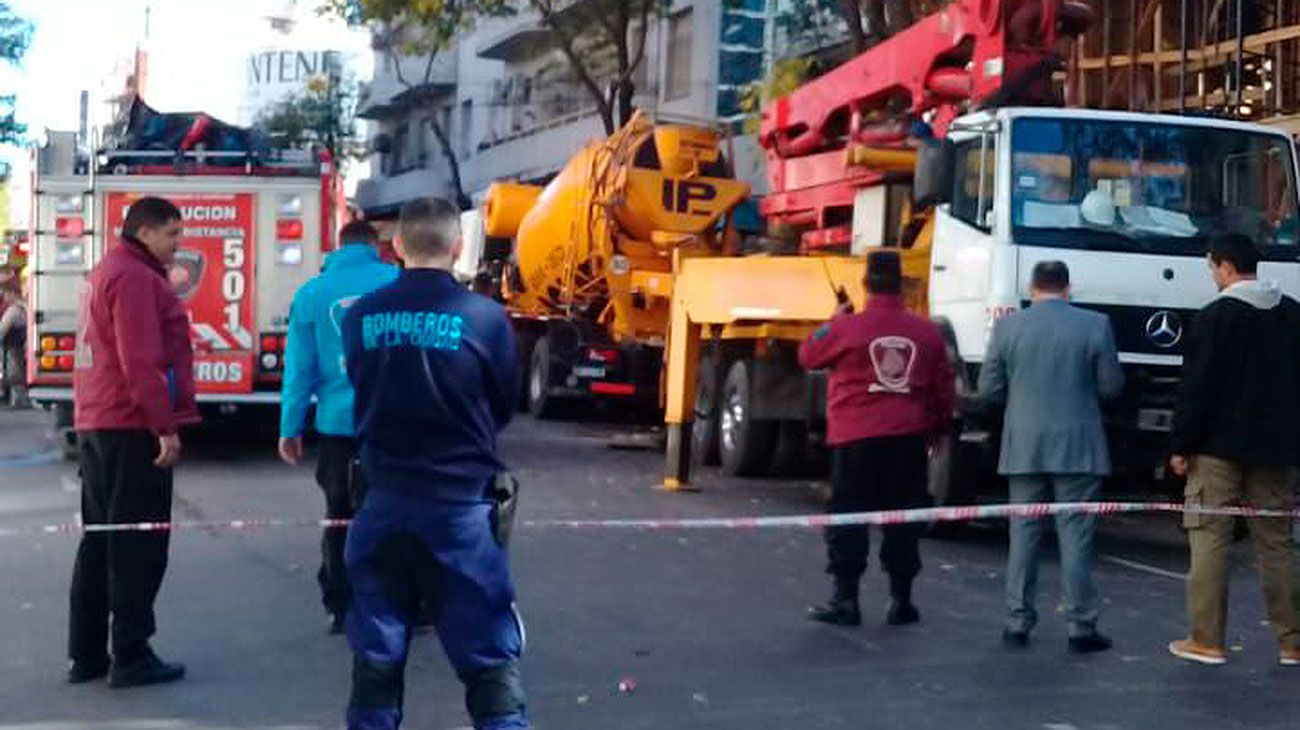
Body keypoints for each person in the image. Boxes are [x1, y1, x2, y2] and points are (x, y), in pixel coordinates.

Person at [340, 197, 528, 730]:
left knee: (376, 660)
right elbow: (502, 403)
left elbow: (362, 385)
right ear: (458, 246)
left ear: (395, 247)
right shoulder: (486, 318)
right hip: (460, 514)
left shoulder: (361, 316)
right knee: (490, 664)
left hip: (382, 506)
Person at [68, 196, 199, 688]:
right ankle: (131, 652)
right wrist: (164, 426)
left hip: (100, 421)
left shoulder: (108, 270)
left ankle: (86, 654)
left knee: (99, 541)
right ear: (145, 232)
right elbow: (140, 360)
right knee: (138, 545)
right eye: (172, 234)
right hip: (129, 426)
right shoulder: (137, 279)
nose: (177, 245)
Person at [799, 249, 954, 627]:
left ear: (866, 284)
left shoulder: (846, 328)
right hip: (908, 438)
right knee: (903, 517)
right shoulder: (927, 333)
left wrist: (832, 321)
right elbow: (943, 389)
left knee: (848, 516)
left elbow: (808, 355)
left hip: (855, 438)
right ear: (901, 285)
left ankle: (846, 599)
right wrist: (936, 430)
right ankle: (901, 600)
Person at [1167, 234, 1300, 667]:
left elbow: (1197, 389)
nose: (1212, 276)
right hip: (1277, 449)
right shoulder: (1293, 315)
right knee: (1277, 544)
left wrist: (1181, 445)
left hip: (1216, 448)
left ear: (1225, 267)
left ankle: (1207, 638)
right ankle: (1292, 640)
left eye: (1211, 268)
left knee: (1210, 538)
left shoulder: (1214, 318)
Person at [978, 260, 1122, 654]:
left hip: (1024, 442)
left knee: (1023, 535)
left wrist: (1020, 406)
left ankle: (1017, 621)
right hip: (1079, 445)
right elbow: (1111, 387)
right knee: (1075, 536)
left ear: (1032, 287)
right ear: (1067, 287)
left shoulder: (1009, 327)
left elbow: (988, 388)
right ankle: (1080, 626)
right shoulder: (1096, 325)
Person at [279, 220, 398, 634]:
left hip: (337, 428)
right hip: (393, 423)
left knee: (340, 513)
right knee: (394, 512)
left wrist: (290, 427)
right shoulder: (398, 283)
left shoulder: (311, 294)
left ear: (339, 246)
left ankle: (340, 604)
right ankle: (396, 603)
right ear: (376, 245)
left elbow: (299, 369)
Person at [0, 282, 29, 408]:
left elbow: (2, 330)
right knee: (20, 373)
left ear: (12, 293)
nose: (4, 297)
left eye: (5, 294)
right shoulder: (26, 306)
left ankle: (17, 401)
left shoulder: (13, 310)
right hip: (23, 346)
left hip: (13, 347)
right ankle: (21, 399)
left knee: (14, 373)